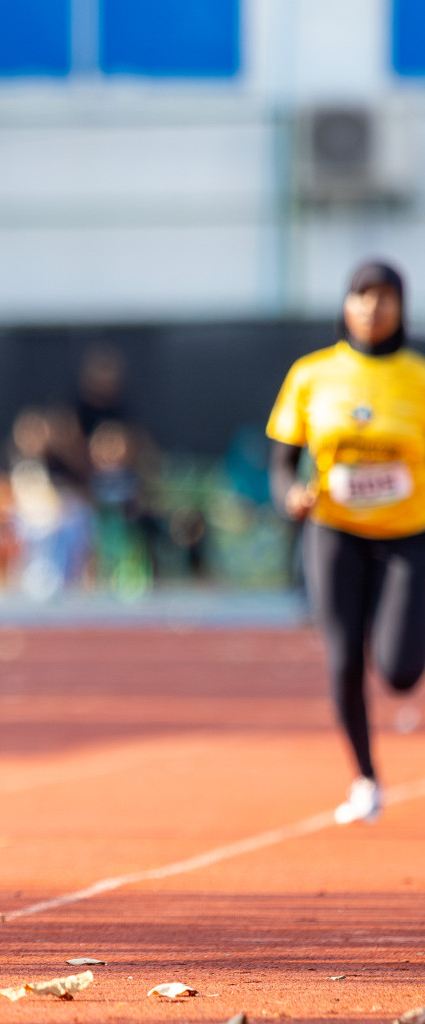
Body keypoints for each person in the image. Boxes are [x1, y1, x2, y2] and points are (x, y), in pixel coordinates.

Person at [268, 260, 425, 826]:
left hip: (409, 536)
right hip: (334, 531)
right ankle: (365, 778)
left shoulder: (419, 376)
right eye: (361, 295)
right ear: (345, 304)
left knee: (400, 670)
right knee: (342, 660)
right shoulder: (312, 374)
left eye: (384, 297)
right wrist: (289, 496)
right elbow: (283, 461)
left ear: (401, 307)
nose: (372, 307)